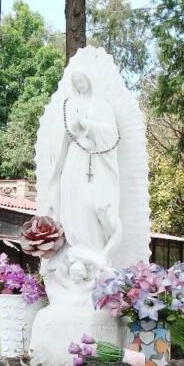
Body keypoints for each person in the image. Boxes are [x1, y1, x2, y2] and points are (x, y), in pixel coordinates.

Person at [45, 71, 123, 263]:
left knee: (91, 203)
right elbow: (59, 134)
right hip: (74, 158)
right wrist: (71, 128)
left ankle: (95, 249)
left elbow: (111, 134)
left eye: (82, 80)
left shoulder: (101, 106)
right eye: (76, 82)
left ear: (89, 81)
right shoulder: (69, 105)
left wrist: (87, 124)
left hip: (95, 160)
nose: (80, 85)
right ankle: (74, 247)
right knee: (73, 200)